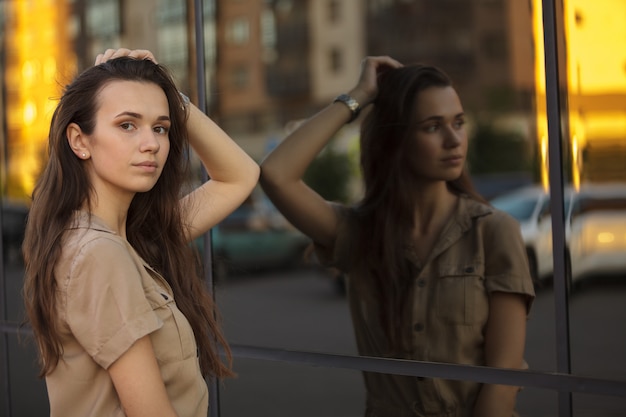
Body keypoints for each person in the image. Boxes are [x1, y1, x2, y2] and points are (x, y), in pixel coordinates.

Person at [260, 56, 535, 417]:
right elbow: (276, 174)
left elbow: (502, 380)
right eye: (433, 127)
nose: (454, 140)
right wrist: (358, 96)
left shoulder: (494, 231)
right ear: (396, 140)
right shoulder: (361, 234)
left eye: (459, 122)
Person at [22, 48, 259, 417]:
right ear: (79, 140)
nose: (151, 144)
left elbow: (239, 176)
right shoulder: (99, 253)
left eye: (160, 127)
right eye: (127, 125)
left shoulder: (128, 241)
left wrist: (173, 98)